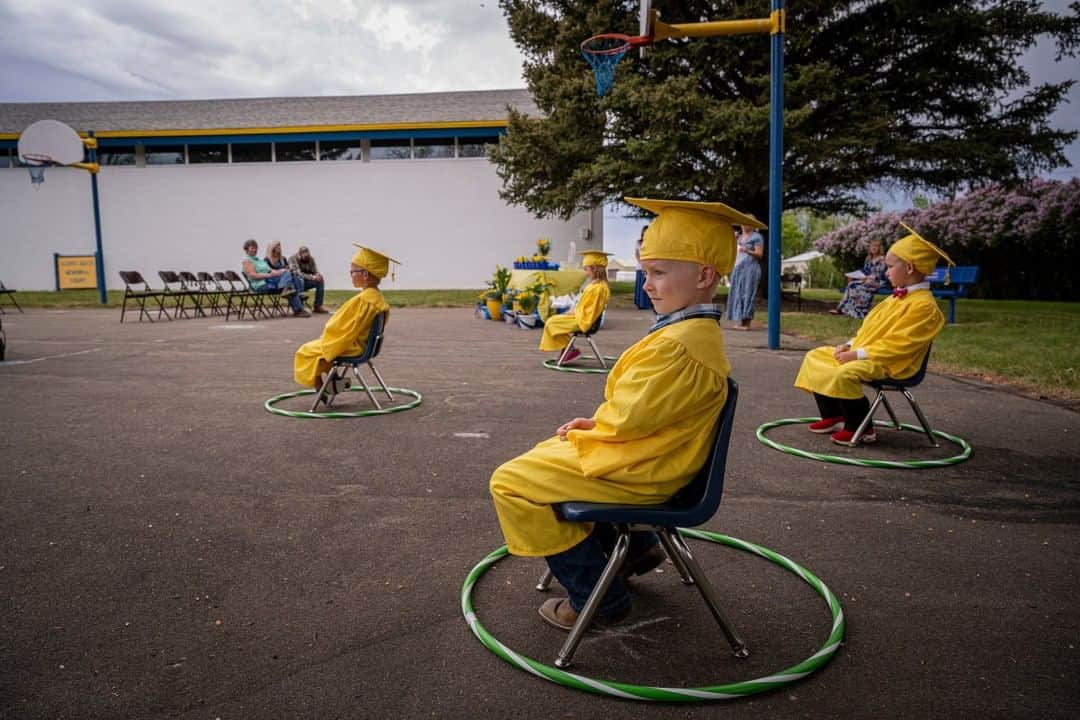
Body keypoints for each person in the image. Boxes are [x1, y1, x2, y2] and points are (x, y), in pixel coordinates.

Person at [490, 197, 762, 631]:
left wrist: (602, 426)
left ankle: (598, 597)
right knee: (546, 452)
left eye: (658, 272)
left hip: (646, 468)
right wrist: (597, 424)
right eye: (646, 271)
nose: (647, 284)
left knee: (511, 482)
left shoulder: (680, 344)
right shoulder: (691, 331)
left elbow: (631, 418)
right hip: (652, 453)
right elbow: (644, 413)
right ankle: (637, 548)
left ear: (705, 275)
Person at [794, 223, 953, 446]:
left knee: (845, 373)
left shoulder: (924, 307)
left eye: (889, 267)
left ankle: (860, 426)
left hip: (892, 364)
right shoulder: (895, 298)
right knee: (816, 357)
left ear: (908, 267)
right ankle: (833, 415)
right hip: (868, 353)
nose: (886, 272)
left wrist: (857, 355)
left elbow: (899, 345)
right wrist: (848, 346)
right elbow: (867, 331)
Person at [293, 245, 399, 390]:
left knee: (305, 351)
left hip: (354, 348)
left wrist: (327, 338)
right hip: (365, 346)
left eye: (353, 271)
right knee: (317, 348)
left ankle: (321, 387)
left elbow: (342, 329)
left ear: (365, 275)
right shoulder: (377, 298)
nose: (350, 274)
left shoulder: (364, 300)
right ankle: (330, 381)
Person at [538, 251, 612, 364]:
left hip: (585, 321)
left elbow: (590, 312)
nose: (585, 273)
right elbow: (585, 307)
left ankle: (570, 349)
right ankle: (568, 349)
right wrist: (573, 312)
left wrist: (574, 313)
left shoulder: (598, 288)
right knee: (553, 321)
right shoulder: (597, 286)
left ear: (595, 269)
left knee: (552, 322)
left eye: (586, 269)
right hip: (582, 317)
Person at [241, 239, 310, 317]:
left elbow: (271, 271)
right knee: (290, 284)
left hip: (270, 282)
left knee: (291, 275)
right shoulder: (247, 261)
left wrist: (281, 271)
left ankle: (289, 292)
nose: (255, 250)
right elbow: (252, 275)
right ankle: (298, 308)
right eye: (252, 248)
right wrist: (270, 275)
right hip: (261, 285)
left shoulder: (259, 260)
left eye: (256, 248)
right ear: (246, 249)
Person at [831, 238, 888, 319]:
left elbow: (881, 274)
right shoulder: (868, 259)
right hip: (866, 280)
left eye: (876, 246)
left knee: (861, 285)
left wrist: (869, 278)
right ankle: (845, 308)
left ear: (879, 248)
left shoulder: (882, 260)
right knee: (851, 284)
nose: (874, 248)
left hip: (878, 282)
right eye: (872, 246)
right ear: (869, 248)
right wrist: (857, 276)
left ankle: (859, 311)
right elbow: (865, 271)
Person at [723, 221, 764, 330]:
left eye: (746, 223)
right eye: (742, 223)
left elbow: (759, 254)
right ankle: (741, 321)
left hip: (750, 268)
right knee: (739, 293)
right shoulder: (740, 236)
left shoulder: (757, 237)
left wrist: (747, 250)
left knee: (748, 293)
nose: (744, 225)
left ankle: (747, 322)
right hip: (739, 268)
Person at [288, 245, 328, 314]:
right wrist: (312, 277)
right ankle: (300, 307)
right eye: (305, 257)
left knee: (320, 280)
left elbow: (315, 271)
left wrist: (318, 275)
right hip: (296, 284)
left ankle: (318, 306)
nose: (306, 258)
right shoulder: (292, 259)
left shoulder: (311, 259)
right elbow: (298, 273)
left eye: (307, 256)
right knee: (300, 279)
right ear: (300, 255)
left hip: (306, 282)